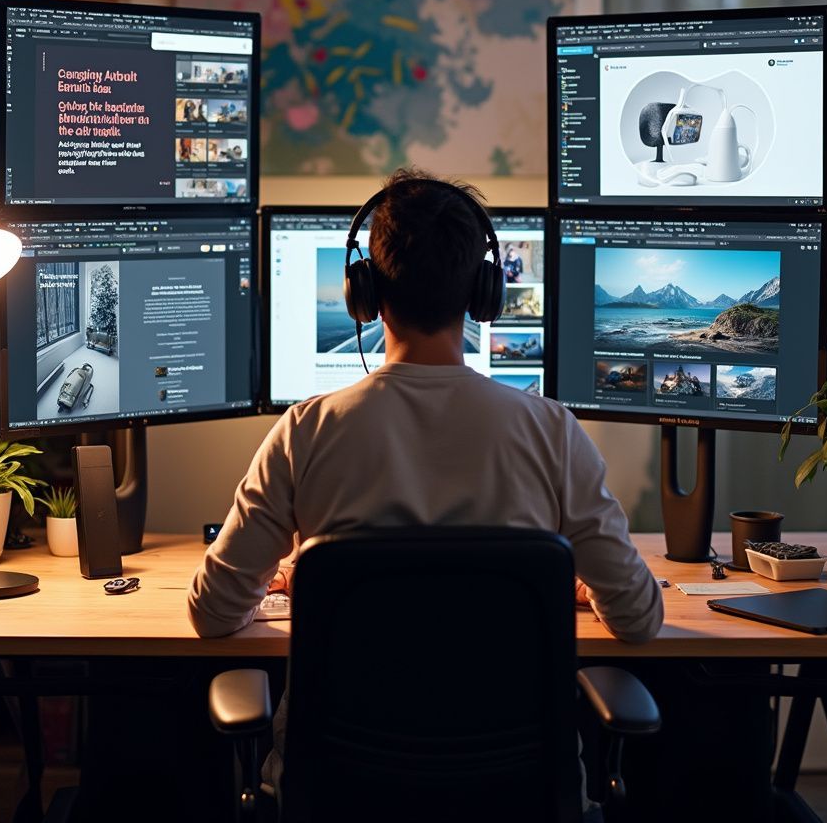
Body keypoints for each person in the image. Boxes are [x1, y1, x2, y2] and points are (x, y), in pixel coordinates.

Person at [188, 168, 663, 818]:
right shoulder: (552, 433)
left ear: (367, 294)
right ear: (481, 294)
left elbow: (213, 614)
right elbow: (640, 621)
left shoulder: (306, 432)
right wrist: (553, 584)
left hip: (341, 801)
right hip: (514, 803)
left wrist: (311, 576)